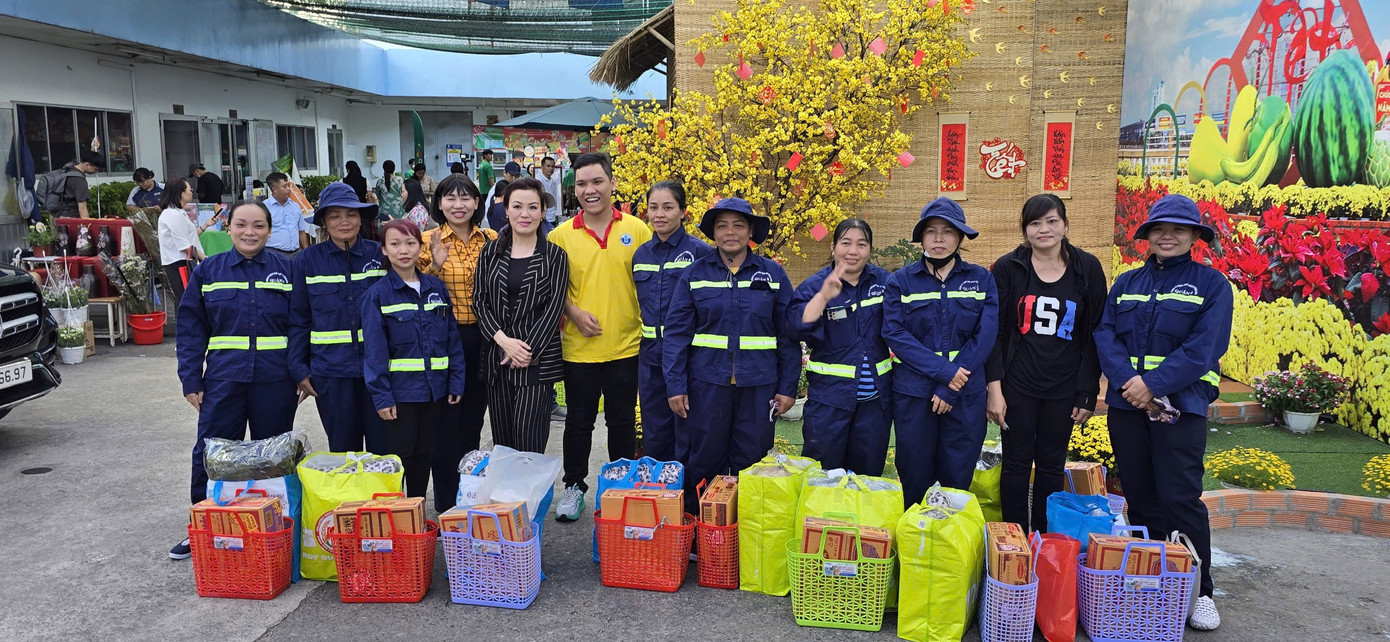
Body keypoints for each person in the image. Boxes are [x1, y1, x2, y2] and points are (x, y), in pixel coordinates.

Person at [1093, 194, 1232, 631]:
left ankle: (1200, 591)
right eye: (1159, 229)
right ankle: (1152, 582)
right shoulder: (1126, 283)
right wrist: (1129, 383)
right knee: (1140, 497)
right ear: (1147, 235)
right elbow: (1105, 335)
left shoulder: (1212, 285)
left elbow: (1204, 347)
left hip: (1181, 406)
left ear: (1193, 236)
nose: (1167, 236)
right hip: (1128, 406)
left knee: (1180, 499)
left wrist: (1153, 384)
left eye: (1178, 229)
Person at [173, 200, 297, 559]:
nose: (249, 232)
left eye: (258, 225)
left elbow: (301, 326)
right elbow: (191, 328)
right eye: (241, 224)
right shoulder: (208, 271)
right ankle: (203, 526)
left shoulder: (287, 270)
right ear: (228, 228)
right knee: (212, 454)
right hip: (224, 380)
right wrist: (191, 379)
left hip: (275, 380)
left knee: (272, 458)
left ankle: (272, 531)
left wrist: (300, 373)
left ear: (269, 231)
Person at [664, 197, 798, 513]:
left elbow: (788, 335)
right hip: (706, 385)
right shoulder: (694, 274)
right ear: (713, 233)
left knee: (752, 464)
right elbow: (676, 335)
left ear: (750, 231)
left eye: (738, 225)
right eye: (722, 225)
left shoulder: (773, 274)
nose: (730, 232)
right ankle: (702, 530)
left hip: (759, 388)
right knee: (704, 460)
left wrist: (788, 387)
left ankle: (746, 531)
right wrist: (676, 386)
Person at [985, 194, 1106, 534]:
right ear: (1024, 229)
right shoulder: (1008, 267)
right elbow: (996, 333)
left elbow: (1096, 332)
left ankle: (1045, 539)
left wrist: (1088, 391)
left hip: (1064, 387)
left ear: (1065, 225)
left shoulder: (1087, 268)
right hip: (1018, 385)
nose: (1044, 229)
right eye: (1035, 223)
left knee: (1052, 465)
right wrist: (994, 389)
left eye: (1052, 221)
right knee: (1016, 464)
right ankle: (1014, 540)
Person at [547, 153, 652, 522]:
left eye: (596, 182)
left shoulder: (638, 230)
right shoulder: (559, 236)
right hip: (579, 351)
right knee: (579, 422)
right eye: (581, 184)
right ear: (574, 189)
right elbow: (552, 289)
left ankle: (619, 487)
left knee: (622, 422)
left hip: (627, 346)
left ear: (612, 184)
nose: (589, 190)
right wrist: (574, 313)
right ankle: (574, 487)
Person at [883, 197, 998, 508]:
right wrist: (945, 373)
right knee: (914, 476)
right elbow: (895, 334)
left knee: (957, 478)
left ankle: (951, 537)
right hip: (914, 395)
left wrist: (951, 386)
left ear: (960, 237)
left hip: (965, 395)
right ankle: (915, 535)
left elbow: (985, 336)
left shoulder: (981, 280)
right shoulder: (900, 282)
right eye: (931, 231)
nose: (939, 239)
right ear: (921, 237)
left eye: (948, 231)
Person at [361, 219, 465, 499]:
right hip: (401, 395)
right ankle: (396, 514)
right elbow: (374, 352)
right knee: (399, 459)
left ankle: (417, 508)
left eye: (410, 243)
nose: (403, 250)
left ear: (421, 247)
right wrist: (382, 397)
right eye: (395, 244)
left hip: (435, 392)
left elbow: (452, 340)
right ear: (384, 250)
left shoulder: (436, 288)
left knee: (425, 455)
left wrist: (456, 382)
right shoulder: (377, 295)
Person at [788, 219, 894, 475]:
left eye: (861, 244)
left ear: (870, 249)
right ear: (833, 247)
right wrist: (823, 297)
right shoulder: (815, 285)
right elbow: (796, 327)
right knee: (824, 476)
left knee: (867, 477)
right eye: (846, 243)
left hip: (874, 404)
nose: (853, 251)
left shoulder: (886, 283)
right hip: (829, 402)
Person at [288, 182, 386, 455]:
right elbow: (299, 318)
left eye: (351, 214)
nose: (344, 222)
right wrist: (298, 368)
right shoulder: (307, 261)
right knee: (343, 451)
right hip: (331, 372)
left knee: (383, 450)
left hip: (378, 370)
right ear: (324, 222)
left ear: (361, 218)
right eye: (335, 216)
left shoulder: (380, 255)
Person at [418, 174, 497, 512]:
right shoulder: (426, 240)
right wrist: (435, 266)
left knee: (473, 420)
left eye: (466, 198)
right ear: (439, 203)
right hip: (445, 340)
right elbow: (412, 290)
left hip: (486, 337)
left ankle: (470, 496)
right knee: (445, 421)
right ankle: (446, 502)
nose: (458, 205)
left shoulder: (493, 239)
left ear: (477, 202)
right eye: (450, 198)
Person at [473, 179, 569, 452]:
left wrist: (524, 351)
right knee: (503, 445)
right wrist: (504, 342)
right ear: (506, 210)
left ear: (543, 212)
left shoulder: (555, 256)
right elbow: (479, 301)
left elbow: (553, 309)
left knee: (529, 445)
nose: (524, 214)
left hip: (535, 361)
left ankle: (531, 486)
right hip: (498, 358)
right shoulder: (490, 252)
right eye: (517, 206)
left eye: (533, 207)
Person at [630, 181, 711, 464]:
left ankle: (688, 489)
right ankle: (660, 487)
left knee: (689, 431)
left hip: (689, 359)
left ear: (683, 211)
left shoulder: (701, 253)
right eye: (653, 208)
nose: (659, 214)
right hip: (650, 360)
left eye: (668, 207)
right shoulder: (640, 255)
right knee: (655, 434)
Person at [156, 178, 214, 304]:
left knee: (187, 299)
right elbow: (184, 245)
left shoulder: (177, 213)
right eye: (189, 189)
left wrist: (205, 225)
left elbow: (188, 237)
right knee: (186, 300)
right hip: (179, 263)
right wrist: (205, 259)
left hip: (182, 261)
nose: (192, 192)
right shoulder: (173, 215)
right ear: (181, 193)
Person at [263, 172, 310, 258]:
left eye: (289, 185)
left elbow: (301, 232)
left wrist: (306, 253)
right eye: (285, 186)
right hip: (274, 254)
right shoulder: (264, 207)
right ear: (274, 189)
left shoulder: (295, 206)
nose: (289, 189)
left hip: (296, 254)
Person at [46, 150, 103, 218]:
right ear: (87, 165)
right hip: (68, 218)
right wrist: (87, 223)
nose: (97, 172)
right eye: (95, 169)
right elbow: (82, 208)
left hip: (54, 215)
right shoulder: (80, 180)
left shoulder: (67, 169)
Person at [535, 156, 565, 230]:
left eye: (552, 166)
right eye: (548, 166)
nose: (551, 168)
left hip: (552, 216)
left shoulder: (552, 180)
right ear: (542, 167)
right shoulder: (538, 181)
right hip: (543, 218)